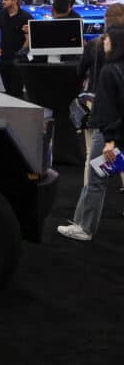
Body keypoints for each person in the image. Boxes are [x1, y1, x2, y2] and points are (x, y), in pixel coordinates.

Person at [58, 27, 124, 241]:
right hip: (115, 134)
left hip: (106, 135)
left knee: (96, 180)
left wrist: (109, 140)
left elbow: (107, 109)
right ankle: (80, 222)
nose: (103, 43)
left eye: (107, 40)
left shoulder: (109, 72)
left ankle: (84, 228)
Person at [0, 0, 32, 99]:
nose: (3, 2)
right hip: (4, 57)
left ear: (15, 1)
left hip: (18, 59)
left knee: (16, 91)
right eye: (3, 0)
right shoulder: (1, 15)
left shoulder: (25, 17)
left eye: (6, 0)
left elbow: (29, 37)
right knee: (8, 90)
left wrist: (22, 52)